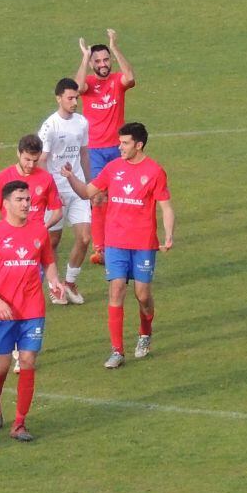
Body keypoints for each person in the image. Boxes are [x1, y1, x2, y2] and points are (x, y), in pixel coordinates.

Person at [61, 122, 173, 369]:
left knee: (143, 296)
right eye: (120, 142)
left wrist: (168, 235)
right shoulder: (113, 169)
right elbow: (86, 193)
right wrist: (70, 177)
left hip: (143, 243)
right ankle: (117, 351)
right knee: (116, 290)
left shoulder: (154, 171)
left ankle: (145, 332)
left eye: (125, 143)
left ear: (139, 145)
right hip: (116, 243)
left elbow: (165, 206)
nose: (120, 147)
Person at [0, 181, 64, 442]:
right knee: (0, 366)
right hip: (2, 312)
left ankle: (20, 423)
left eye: (27, 199)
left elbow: (49, 263)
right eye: (20, 199)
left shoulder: (39, 231)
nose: (26, 204)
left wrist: (54, 283)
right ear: (6, 204)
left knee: (28, 362)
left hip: (32, 309)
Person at [74, 29, 135, 266]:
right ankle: (100, 248)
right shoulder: (89, 83)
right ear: (91, 64)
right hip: (95, 151)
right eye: (97, 61)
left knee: (119, 197)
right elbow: (77, 87)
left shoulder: (117, 81)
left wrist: (114, 46)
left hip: (119, 150)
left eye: (106, 59)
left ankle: (118, 242)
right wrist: (83, 57)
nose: (103, 64)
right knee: (98, 198)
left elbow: (129, 76)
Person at [38, 78, 92, 305]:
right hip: (56, 192)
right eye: (70, 98)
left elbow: (84, 154)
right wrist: (50, 191)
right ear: (58, 98)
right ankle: (54, 285)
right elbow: (41, 161)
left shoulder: (81, 122)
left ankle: (69, 282)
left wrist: (91, 186)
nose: (75, 102)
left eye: (76, 98)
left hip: (77, 188)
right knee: (52, 240)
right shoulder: (50, 126)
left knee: (85, 237)